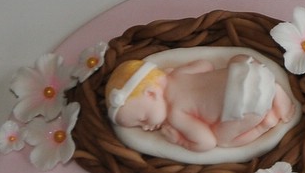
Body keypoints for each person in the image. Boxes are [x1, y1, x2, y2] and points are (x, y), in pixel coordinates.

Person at [106, 52, 295, 152]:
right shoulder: (178, 74)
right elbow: (207, 64)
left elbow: (207, 142)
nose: (146, 127)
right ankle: (274, 88)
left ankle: (265, 124)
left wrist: (180, 140)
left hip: (247, 106)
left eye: (142, 119)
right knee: (237, 59)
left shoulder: (176, 115)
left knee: (223, 140)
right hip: (252, 73)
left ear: (151, 94)